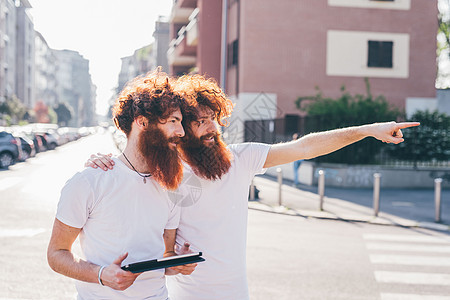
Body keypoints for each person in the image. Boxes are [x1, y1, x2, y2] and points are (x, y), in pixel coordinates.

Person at [87, 74, 420, 300]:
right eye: (200, 122)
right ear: (183, 130)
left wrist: (366, 130)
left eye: (213, 118)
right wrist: (104, 160)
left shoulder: (241, 158)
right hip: (187, 296)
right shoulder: (167, 172)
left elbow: (305, 147)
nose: (212, 128)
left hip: (237, 293)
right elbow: (159, 247)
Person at [47, 70, 197, 300]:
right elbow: (56, 254)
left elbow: (163, 257)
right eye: (174, 121)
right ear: (142, 122)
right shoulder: (89, 181)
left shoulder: (171, 187)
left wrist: (177, 263)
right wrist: (100, 274)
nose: (182, 131)